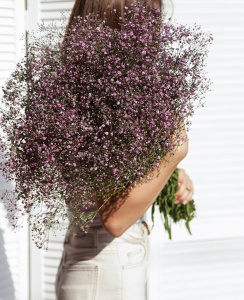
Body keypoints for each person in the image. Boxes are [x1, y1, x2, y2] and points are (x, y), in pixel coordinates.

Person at [55, 1, 194, 299]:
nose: (156, 28)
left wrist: (172, 174)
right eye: (149, 17)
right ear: (121, 22)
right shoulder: (97, 96)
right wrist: (173, 154)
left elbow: (117, 178)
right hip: (105, 271)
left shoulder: (85, 85)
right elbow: (114, 219)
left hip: (98, 267)